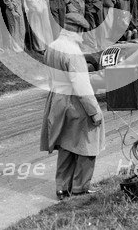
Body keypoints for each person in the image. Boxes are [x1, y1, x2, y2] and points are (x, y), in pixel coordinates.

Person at [40, 14, 105, 200]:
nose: (83, 37)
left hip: (57, 99)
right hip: (75, 101)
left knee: (66, 145)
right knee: (87, 144)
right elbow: (81, 85)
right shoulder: (73, 52)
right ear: (77, 30)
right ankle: (80, 188)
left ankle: (62, 188)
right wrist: (94, 111)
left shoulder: (52, 47)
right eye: (82, 33)